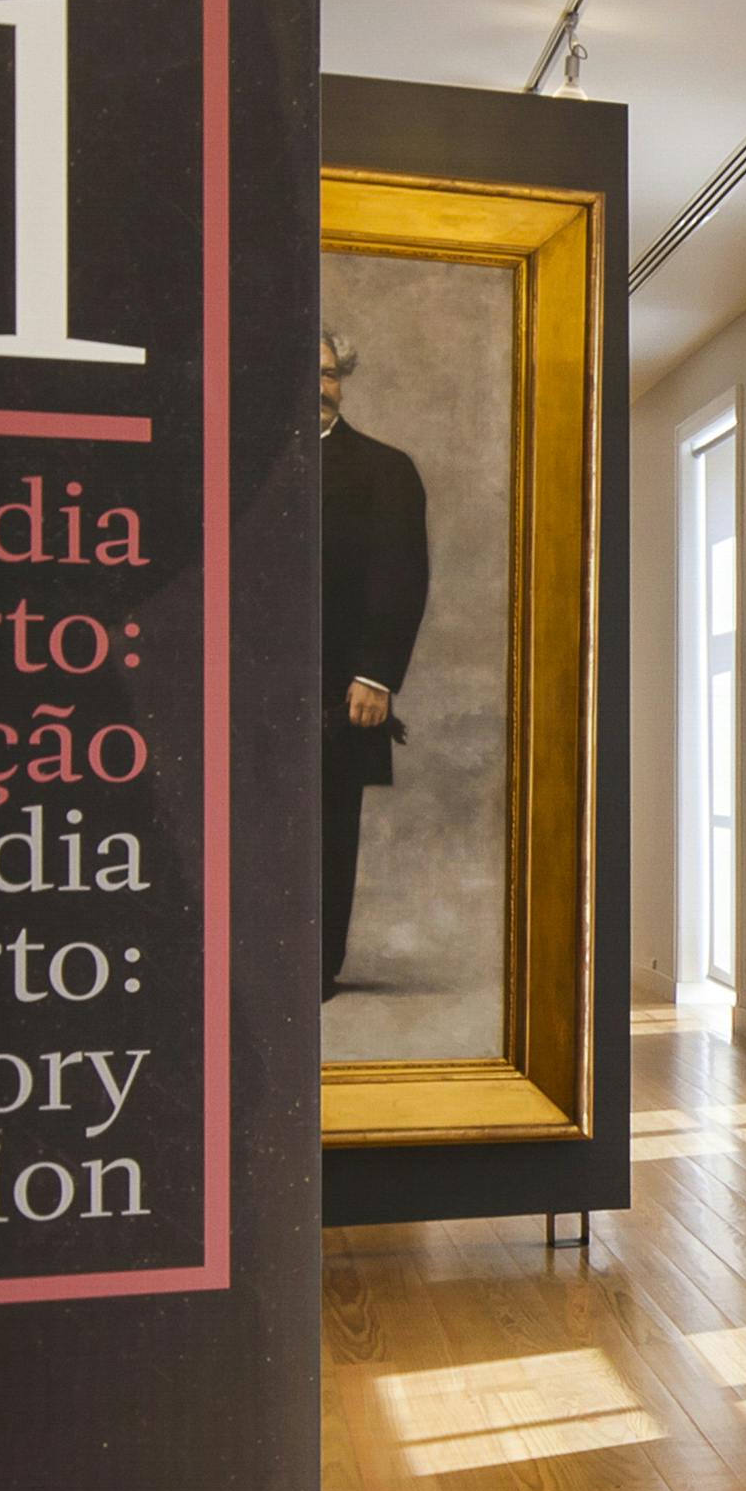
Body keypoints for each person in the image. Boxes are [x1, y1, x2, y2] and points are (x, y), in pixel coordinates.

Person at [317, 329, 428, 998]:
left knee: (328, 823)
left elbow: (401, 576)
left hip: (340, 685)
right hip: (245, 683)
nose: (318, 387)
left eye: (329, 374)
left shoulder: (385, 470)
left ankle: (313, 968)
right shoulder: (238, 461)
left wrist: (374, 675)